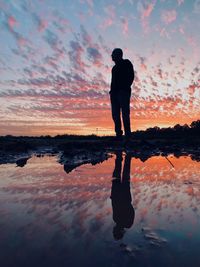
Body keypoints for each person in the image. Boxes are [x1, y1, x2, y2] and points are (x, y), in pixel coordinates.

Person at [110, 48, 134, 140]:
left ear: (119, 55)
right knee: (115, 114)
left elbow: (131, 76)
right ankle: (118, 135)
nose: (111, 56)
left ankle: (128, 135)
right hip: (114, 93)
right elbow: (113, 81)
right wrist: (111, 92)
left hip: (123, 92)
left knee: (125, 113)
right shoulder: (114, 68)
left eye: (113, 54)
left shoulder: (126, 63)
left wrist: (125, 87)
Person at [110, 152, 135, 240]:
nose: (113, 229)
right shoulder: (121, 221)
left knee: (124, 174)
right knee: (120, 174)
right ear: (118, 231)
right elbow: (115, 205)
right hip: (119, 195)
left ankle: (125, 155)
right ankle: (122, 155)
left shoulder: (124, 223)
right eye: (114, 231)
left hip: (122, 195)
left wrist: (127, 202)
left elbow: (131, 210)